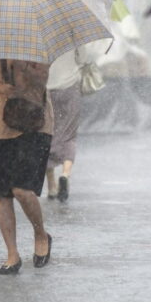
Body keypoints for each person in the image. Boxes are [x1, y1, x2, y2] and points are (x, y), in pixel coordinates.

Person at [0, 59, 54, 274]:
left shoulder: (34, 44)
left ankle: (40, 234)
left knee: (22, 190)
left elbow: (42, 79)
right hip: (0, 125)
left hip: (35, 121)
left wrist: (22, 69)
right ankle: (12, 254)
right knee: (2, 193)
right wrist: (3, 88)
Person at [45, 44, 101, 202]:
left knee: (48, 133)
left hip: (47, 89)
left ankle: (51, 187)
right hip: (70, 87)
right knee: (68, 135)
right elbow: (83, 59)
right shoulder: (73, 33)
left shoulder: (42, 32)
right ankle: (65, 174)